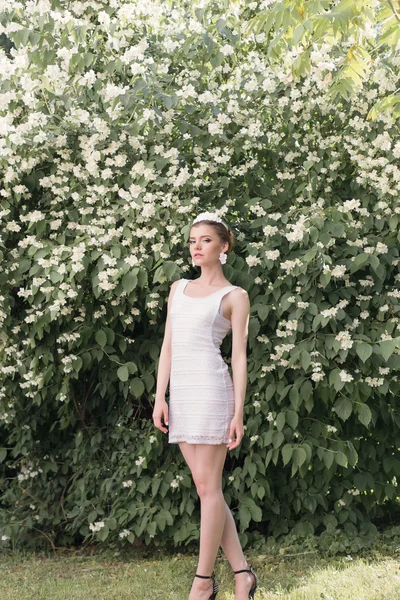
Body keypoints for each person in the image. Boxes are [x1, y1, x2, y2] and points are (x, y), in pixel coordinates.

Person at [153, 212, 259, 600]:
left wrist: (238, 412)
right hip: (181, 394)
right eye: (193, 240)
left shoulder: (235, 297)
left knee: (206, 486)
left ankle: (202, 581)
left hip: (214, 392)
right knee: (205, 488)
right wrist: (159, 396)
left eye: (206, 241)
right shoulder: (178, 288)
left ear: (224, 246)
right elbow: (168, 345)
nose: (196, 247)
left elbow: (240, 358)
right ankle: (242, 574)